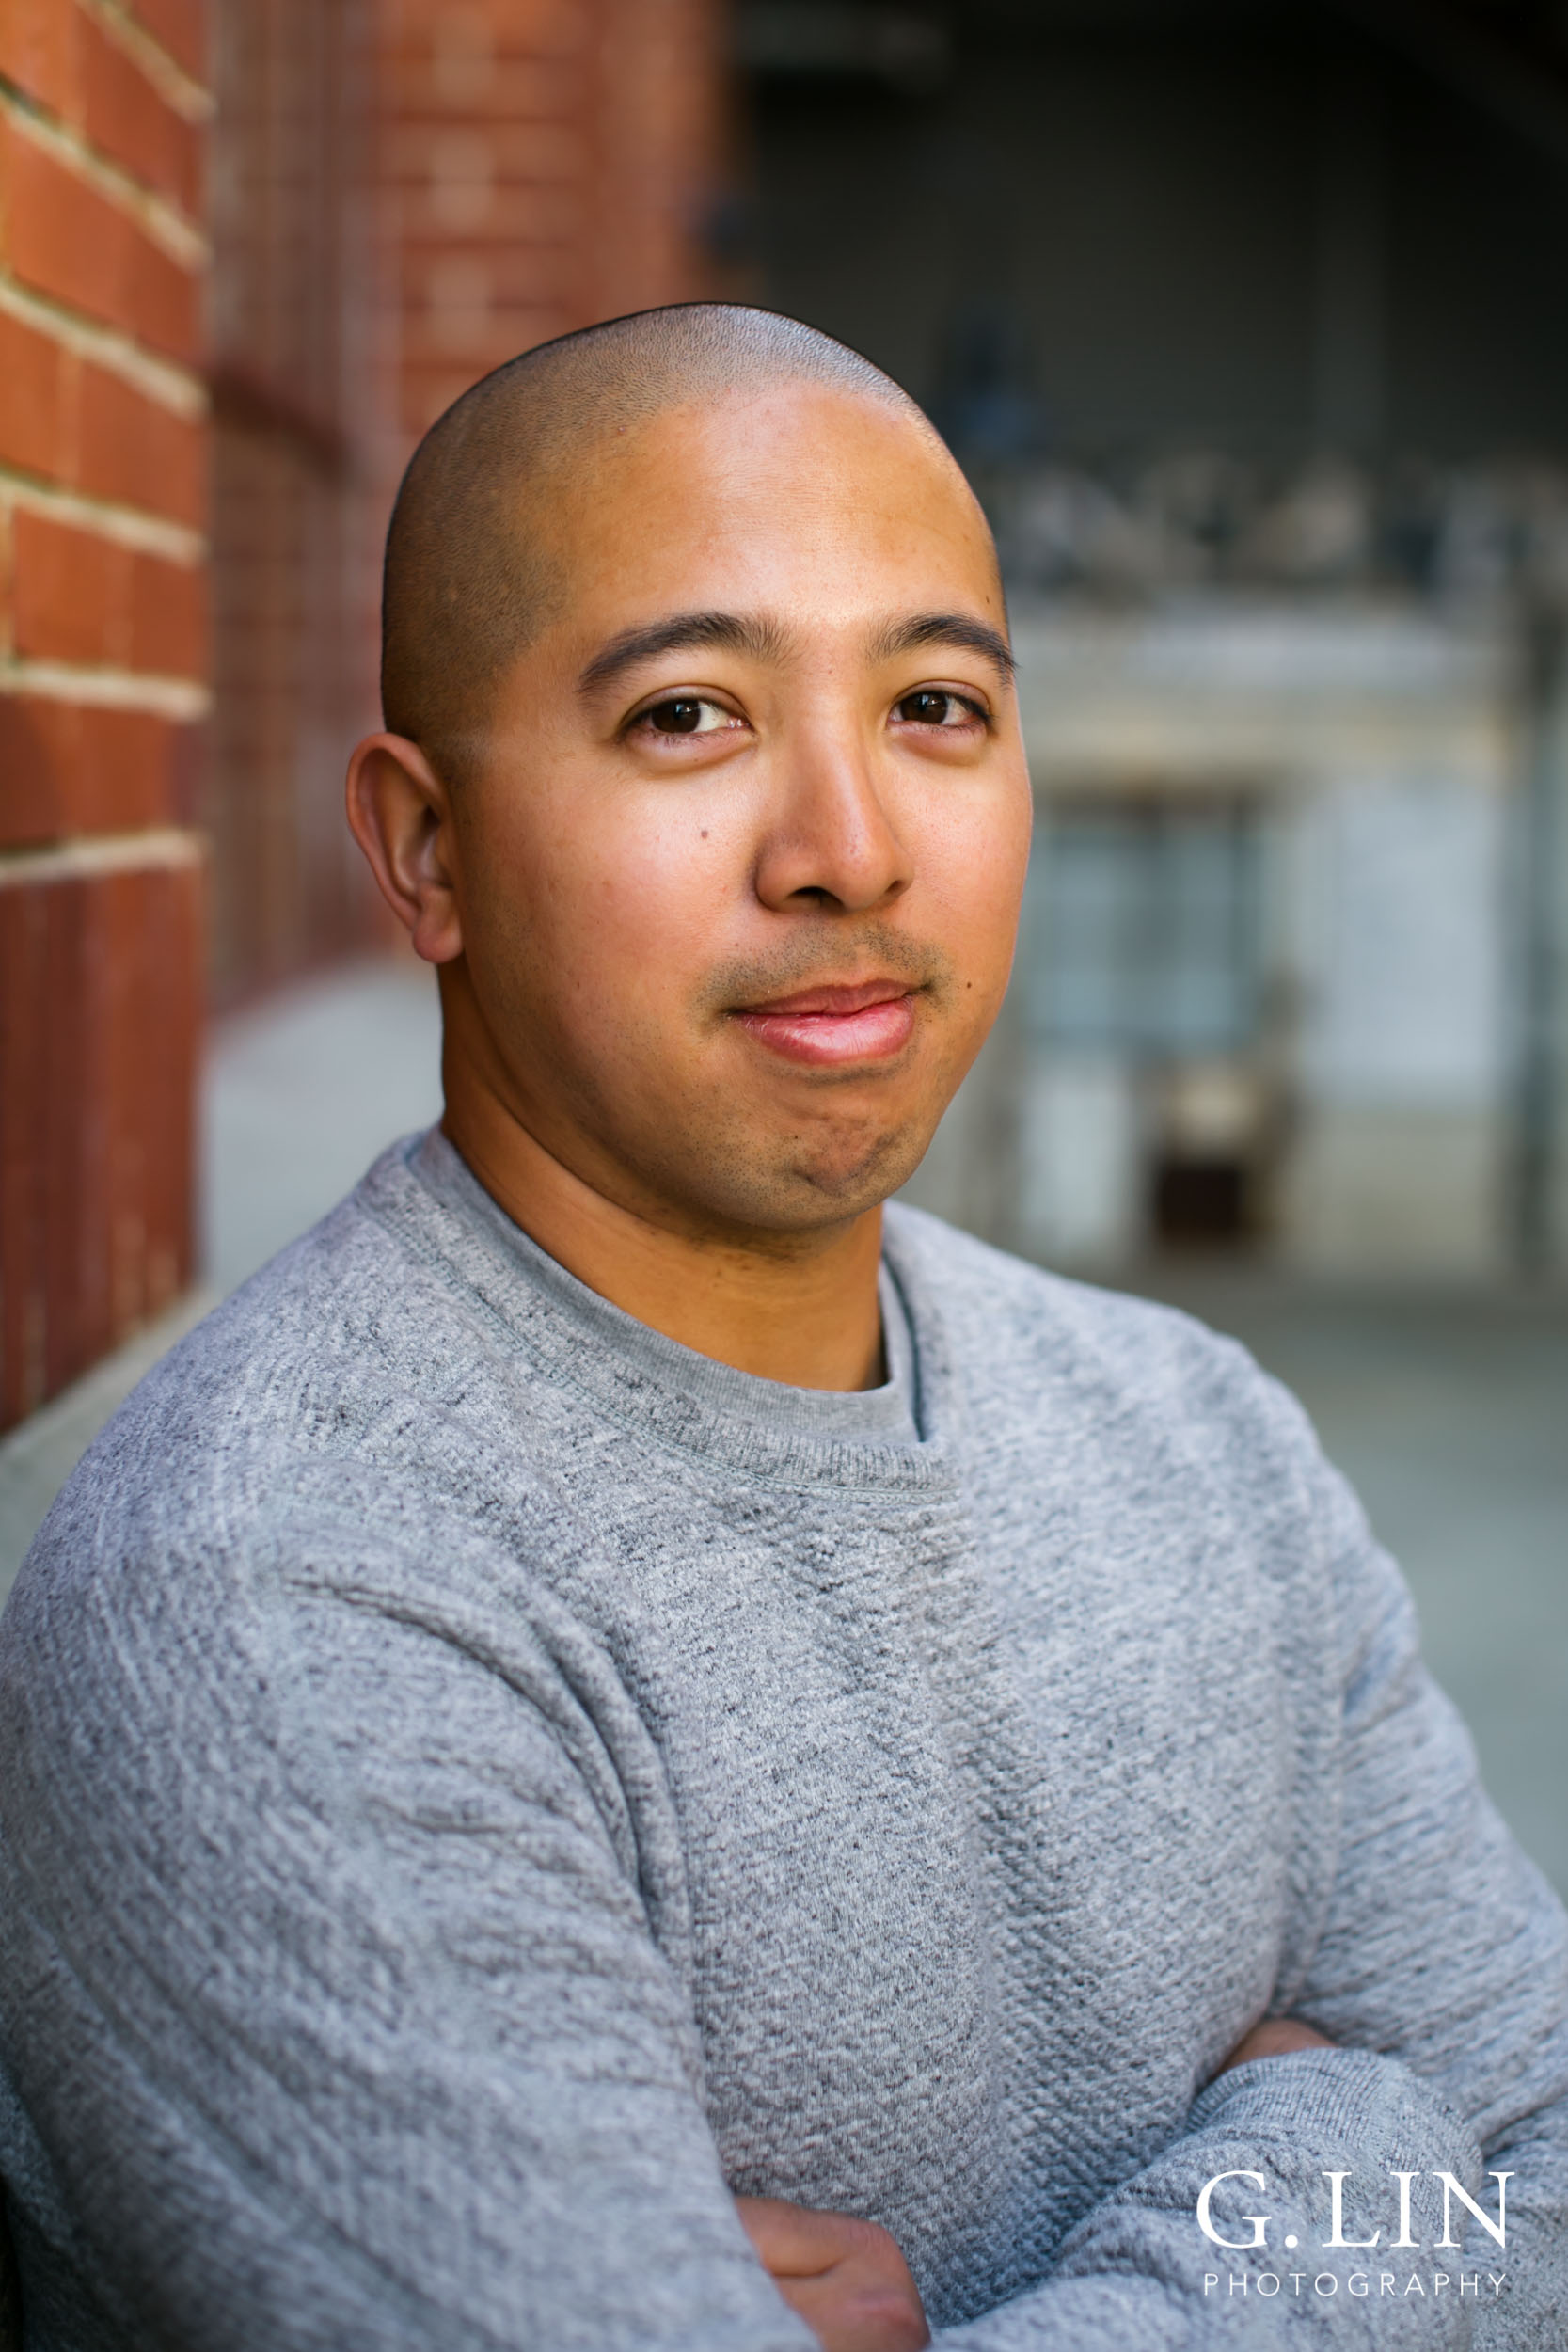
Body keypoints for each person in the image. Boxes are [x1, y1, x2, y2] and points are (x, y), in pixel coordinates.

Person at [0, 305, 1563, 2352]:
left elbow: (1544, 2152)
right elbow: (1479, 2202)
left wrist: (1273, 2195)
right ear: (427, 846)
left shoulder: (1202, 1435)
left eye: (935, 704)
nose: (849, 847)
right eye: (687, 717)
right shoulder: (278, 1590)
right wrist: (1341, 2168)